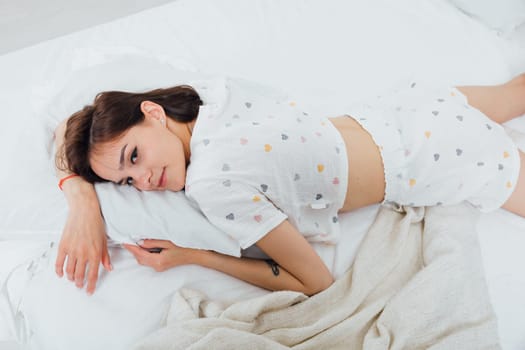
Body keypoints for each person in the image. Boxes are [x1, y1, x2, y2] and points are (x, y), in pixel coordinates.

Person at [54, 75, 525, 296]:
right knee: (514, 92)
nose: (144, 181)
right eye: (128, 182)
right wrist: (79, 192)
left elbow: (315, 282)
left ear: (152, 114)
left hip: (434, 156)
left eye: (133, 156)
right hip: (406, 105)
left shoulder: (211, 185)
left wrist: (193, 256)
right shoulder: (211, 97)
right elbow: (61, 133)